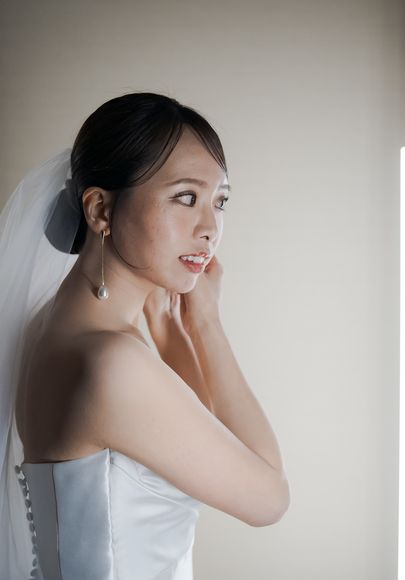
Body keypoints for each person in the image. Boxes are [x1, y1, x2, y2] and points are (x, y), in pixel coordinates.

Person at [0, 92, 290, 579]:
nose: (209, 228)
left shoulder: (50, 323)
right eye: (186, 197)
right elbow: (270, 500)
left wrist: (172, 326)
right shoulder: (114, 363)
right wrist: (206, 324)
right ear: (100, 210)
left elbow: (196, 431)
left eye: (219, 201)